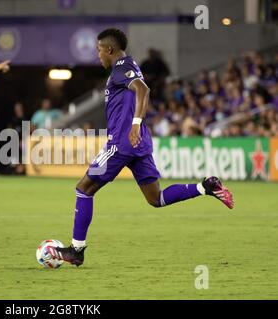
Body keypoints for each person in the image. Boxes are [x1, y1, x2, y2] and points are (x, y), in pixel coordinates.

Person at [51, 28, 234, 267]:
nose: (98, 56)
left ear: (109, 49)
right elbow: (139, 90)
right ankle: (205, 187)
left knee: (84, 189)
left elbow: (143, 90)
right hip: (138, 144)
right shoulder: (130, 65)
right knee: (155, 198)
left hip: (122, 142)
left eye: (98, 51)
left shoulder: (120, 69)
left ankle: (76, 250)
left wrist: (135, 123)